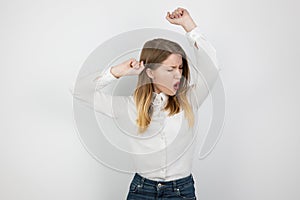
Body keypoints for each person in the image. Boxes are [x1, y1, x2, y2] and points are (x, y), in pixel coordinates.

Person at [71, 7, 220, 200]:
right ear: (150, 72)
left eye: (181, 68)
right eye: (170, 69)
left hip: (180, 192)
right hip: (142, 191)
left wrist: (188, 26)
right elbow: (78, 90)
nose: (178, 75)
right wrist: (117, 71)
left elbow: (212, 65)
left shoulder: (189, 100)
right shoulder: (128, 106)